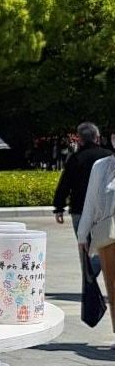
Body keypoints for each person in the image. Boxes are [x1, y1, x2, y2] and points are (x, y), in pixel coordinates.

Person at [53, 122, 111, 271]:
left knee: (84, 245)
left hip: (79, 208)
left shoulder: (76, 158)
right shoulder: (107, 157)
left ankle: (89, 281)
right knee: (105, 247)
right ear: (97, 137)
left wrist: (59, 207)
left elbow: (65, 184)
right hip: (104, 210)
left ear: (80, 139)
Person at [76, 137, 115, 337]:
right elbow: (90, 202)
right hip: (108, 237)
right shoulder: (102, 166)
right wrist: (82, 236)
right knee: (113, 289)